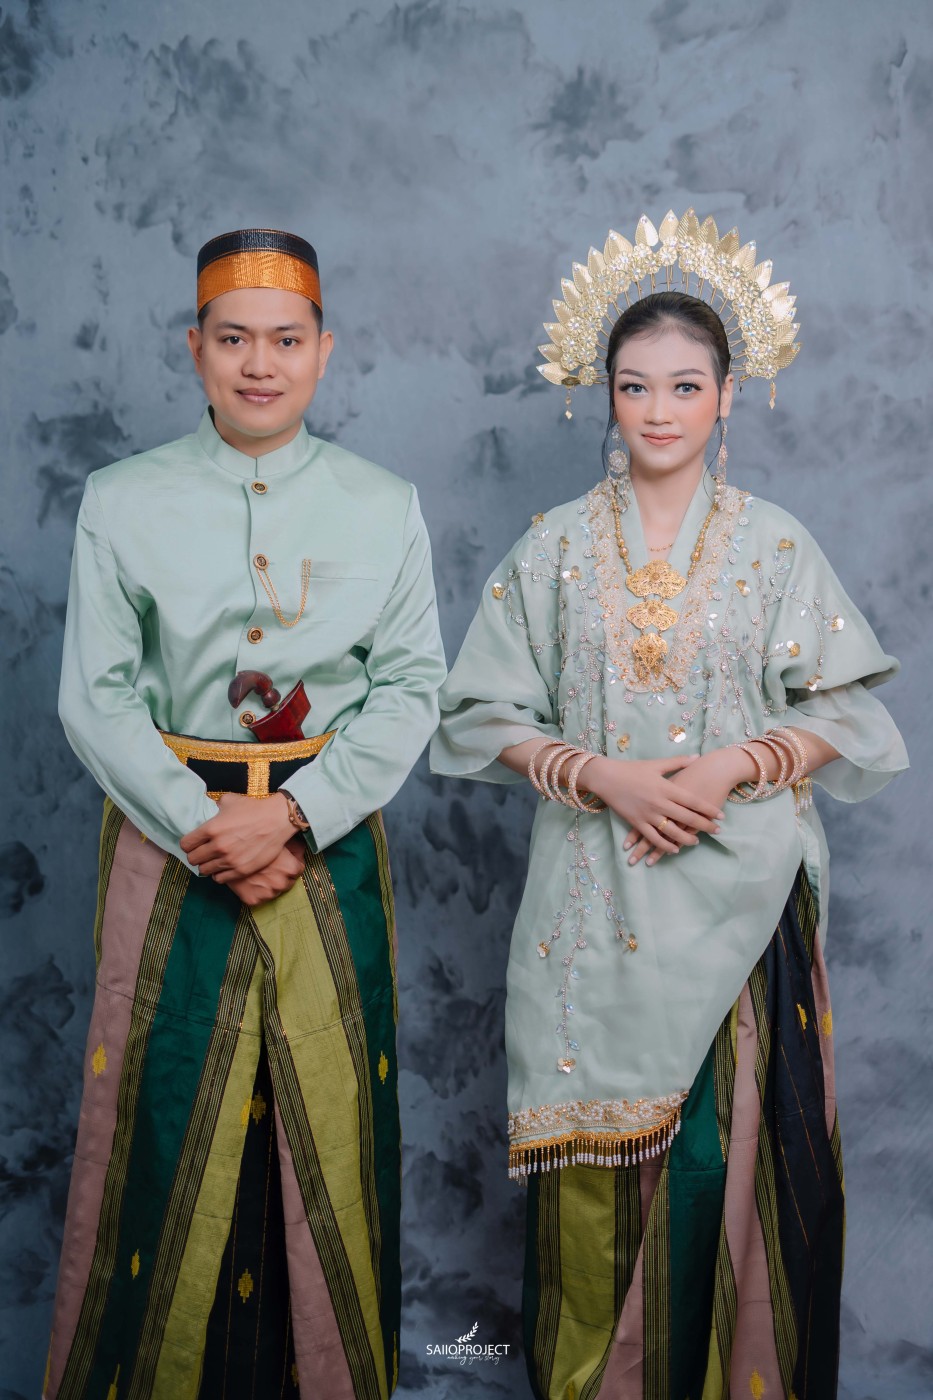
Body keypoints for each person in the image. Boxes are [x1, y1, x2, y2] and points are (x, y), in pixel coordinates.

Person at [430, 210, 907, 1399]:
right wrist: (606, 776)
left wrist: (734, 765)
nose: (658, 410)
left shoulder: (776, 547)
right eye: (634, 385)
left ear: (730, 395)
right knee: (599, 1190)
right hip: (592, 903)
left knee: (728, 1168)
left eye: (686, 385)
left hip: (744, 905)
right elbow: (476, 715)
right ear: (603, 393)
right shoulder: (552, 551)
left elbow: (853, 715)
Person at [47, 228, 446, 1400]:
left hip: (328, 851)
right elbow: (96, 695)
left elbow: (411, 685)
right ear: (195, 349)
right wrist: (202, 819)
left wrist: (297, 813)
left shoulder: (383, 504)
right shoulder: (122, 500)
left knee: (328, 1114)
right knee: (163, 1110)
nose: (259, 364)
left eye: (284, 339)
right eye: (233, 339)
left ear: (325, 350)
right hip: (168, 847)